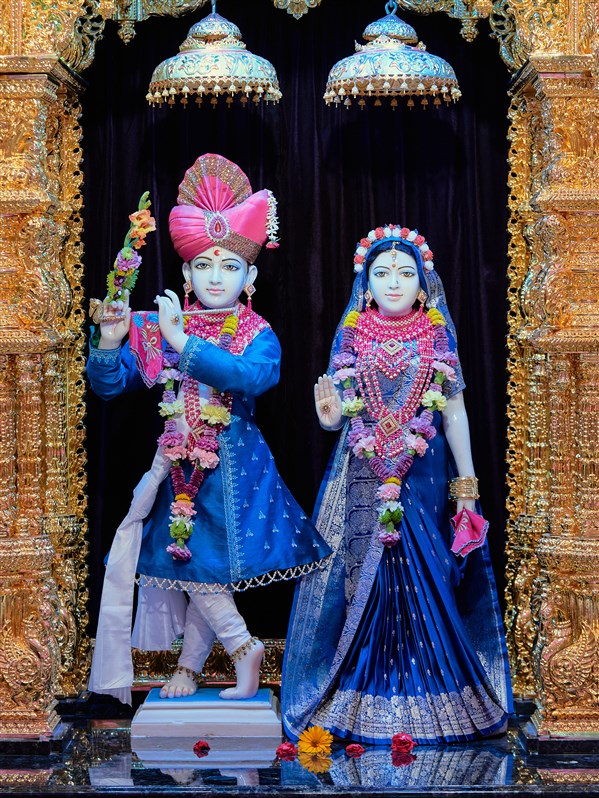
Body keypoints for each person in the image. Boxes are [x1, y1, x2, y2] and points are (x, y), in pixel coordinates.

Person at [88, 153, 331, 705]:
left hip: (237, 469)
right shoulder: (159, 327)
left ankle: (237, 650)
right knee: (198, 565)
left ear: (250, 277)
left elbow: (254, 377)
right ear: (185, 274)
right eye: (203, 265)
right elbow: (111, 386)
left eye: (229, 266)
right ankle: (204, 662)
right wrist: (109, 341)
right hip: (176, 467)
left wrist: (183, 342)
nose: (215, 276)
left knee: (203, 564)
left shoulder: (254, 330)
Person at [282, 224, 512, 744]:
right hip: (365, 470)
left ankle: (437, 692)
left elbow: (454, 412)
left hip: (424, 471)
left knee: (428, 570)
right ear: (365, 284)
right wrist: (329, 419)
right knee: (370, 575)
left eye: (405, 274)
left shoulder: (437, 337)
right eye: (382, 273)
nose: (393, 283)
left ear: (423, 286)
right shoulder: (352, 335)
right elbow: (341, 411)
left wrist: (467, 486)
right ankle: (363, 692)